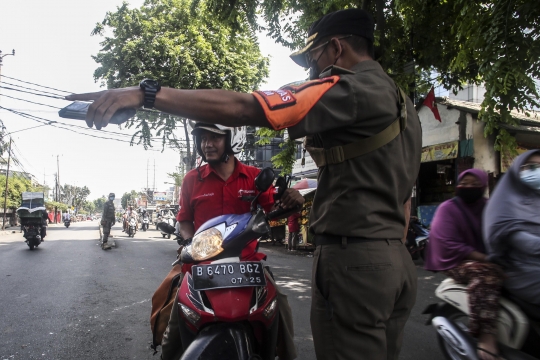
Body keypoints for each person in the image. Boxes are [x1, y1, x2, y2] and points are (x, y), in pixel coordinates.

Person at [67, 8, 422, 359]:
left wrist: (145, 95)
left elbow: (246, 107)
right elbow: (404, 194)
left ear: (337, 48)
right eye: (203, 138)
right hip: (393, 260)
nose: (313, 70)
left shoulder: (347, 90)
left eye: (314, 57)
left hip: (348, 261)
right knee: (172, 312)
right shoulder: (402, 103)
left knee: (282, 318)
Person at [160, 123, 303, 360]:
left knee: (280, 308)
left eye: (214, 138)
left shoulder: (254, 177)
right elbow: (184, 220)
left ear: (231, 139)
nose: (207, 144)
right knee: (175, 325)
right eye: (203, 138)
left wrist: (292, 199)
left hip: (247, 265)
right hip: (201, 266)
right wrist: (188, 242)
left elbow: (273, 210)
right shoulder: (191, 180)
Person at [425, 169, 505, 360]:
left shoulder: (489, 206)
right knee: (486, 275)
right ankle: (486, 338)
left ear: (484, 186)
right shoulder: (448, 208)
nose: (469, 187)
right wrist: (485, 258)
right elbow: (447, 242)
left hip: (490, 257)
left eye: (475, 184)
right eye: (465, 183)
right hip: (457, 262)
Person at [484, 149, 540, 315]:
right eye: (530, 167)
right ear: (517, 171)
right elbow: (528, 245)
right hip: (521, 270)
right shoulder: (504, 204)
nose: (536, 171)